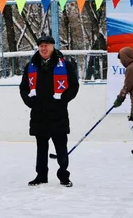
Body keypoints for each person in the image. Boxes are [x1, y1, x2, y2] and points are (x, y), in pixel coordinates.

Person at [19, 35, 79, 187]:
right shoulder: (31, 65)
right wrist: (29, 101)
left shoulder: (64, 64)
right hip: (39, 114)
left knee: (61, 148)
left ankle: (64, 175)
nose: (43, 49)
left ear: (53, 46)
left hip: (58, 114)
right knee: (41, 148)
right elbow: (24, 87)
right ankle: (41, 175)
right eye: (41, 46)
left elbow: (74, 85)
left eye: (46, 45)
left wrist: (63, 99)